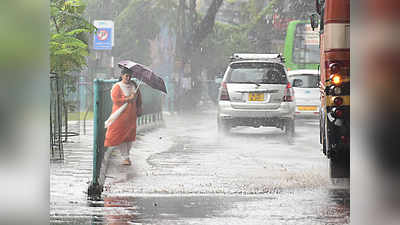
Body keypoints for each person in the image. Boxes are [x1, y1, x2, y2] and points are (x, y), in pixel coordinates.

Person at [104, 68, 142, 166]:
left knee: (129, 136)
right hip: (120, 115)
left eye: (130, 76)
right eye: (126, 76)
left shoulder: (134, 86)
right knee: (120, 135)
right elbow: (115, 99)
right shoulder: (117, 86)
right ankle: (125, 157)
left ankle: (127, 155)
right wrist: (128, 98)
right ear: (122, 75)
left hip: (131, 115)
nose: (128, 78)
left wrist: (139, 108)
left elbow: (139, 100)